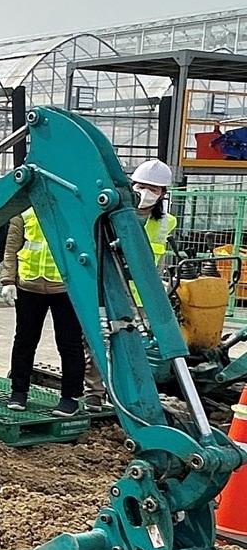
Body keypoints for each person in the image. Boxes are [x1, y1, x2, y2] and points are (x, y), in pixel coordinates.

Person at [84, 158, 179, 408]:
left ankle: (131, 394)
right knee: (99, 339)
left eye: (153, 189)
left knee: (135, 346)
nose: (145, 193)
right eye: (140, 186)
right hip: (108, 289)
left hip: (142, 295)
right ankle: (94, 391)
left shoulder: (165, 222)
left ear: (162, 194)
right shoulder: (110, 215)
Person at [2, 208, 83, 416]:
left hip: (66, 287)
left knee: (69, 343)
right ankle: (18, 392)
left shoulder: (74, 207)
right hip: (29, 285)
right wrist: (8, 280)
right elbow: (12, 247)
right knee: (24, 341)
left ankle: (70, 397)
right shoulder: (24, 211)